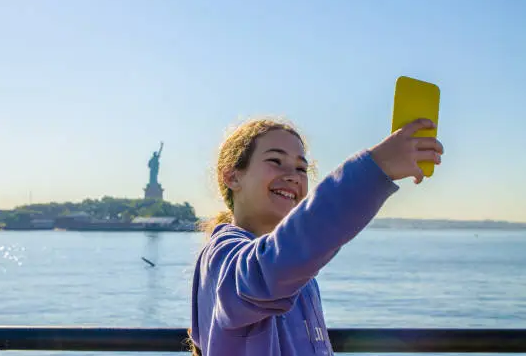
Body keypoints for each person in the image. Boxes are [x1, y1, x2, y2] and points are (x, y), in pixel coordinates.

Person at [188, 117, 443, 356]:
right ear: (232, 176)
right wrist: (376, 168)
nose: (293, 176)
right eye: (276, 161)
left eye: (301, 168)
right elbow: (276, 263)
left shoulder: (299, 275)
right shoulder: (222, 257)